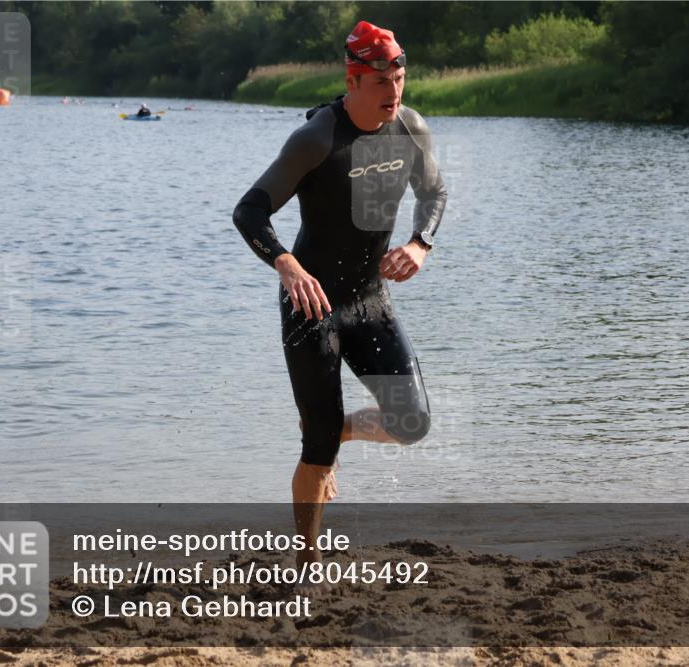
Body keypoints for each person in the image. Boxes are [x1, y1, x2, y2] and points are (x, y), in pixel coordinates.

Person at [232, 20, 447, 594]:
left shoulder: (409, 128)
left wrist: (420, 243)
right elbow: (249, 212)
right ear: (352, 80)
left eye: (399, 76)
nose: (393, 90)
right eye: (380, 79)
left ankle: (338, 431)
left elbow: (434, 192)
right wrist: (285, 262)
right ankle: (307, 561)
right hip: (313, 306)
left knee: (412, 423)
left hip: (370, 302)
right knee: (317, 445)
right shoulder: (316, 138)